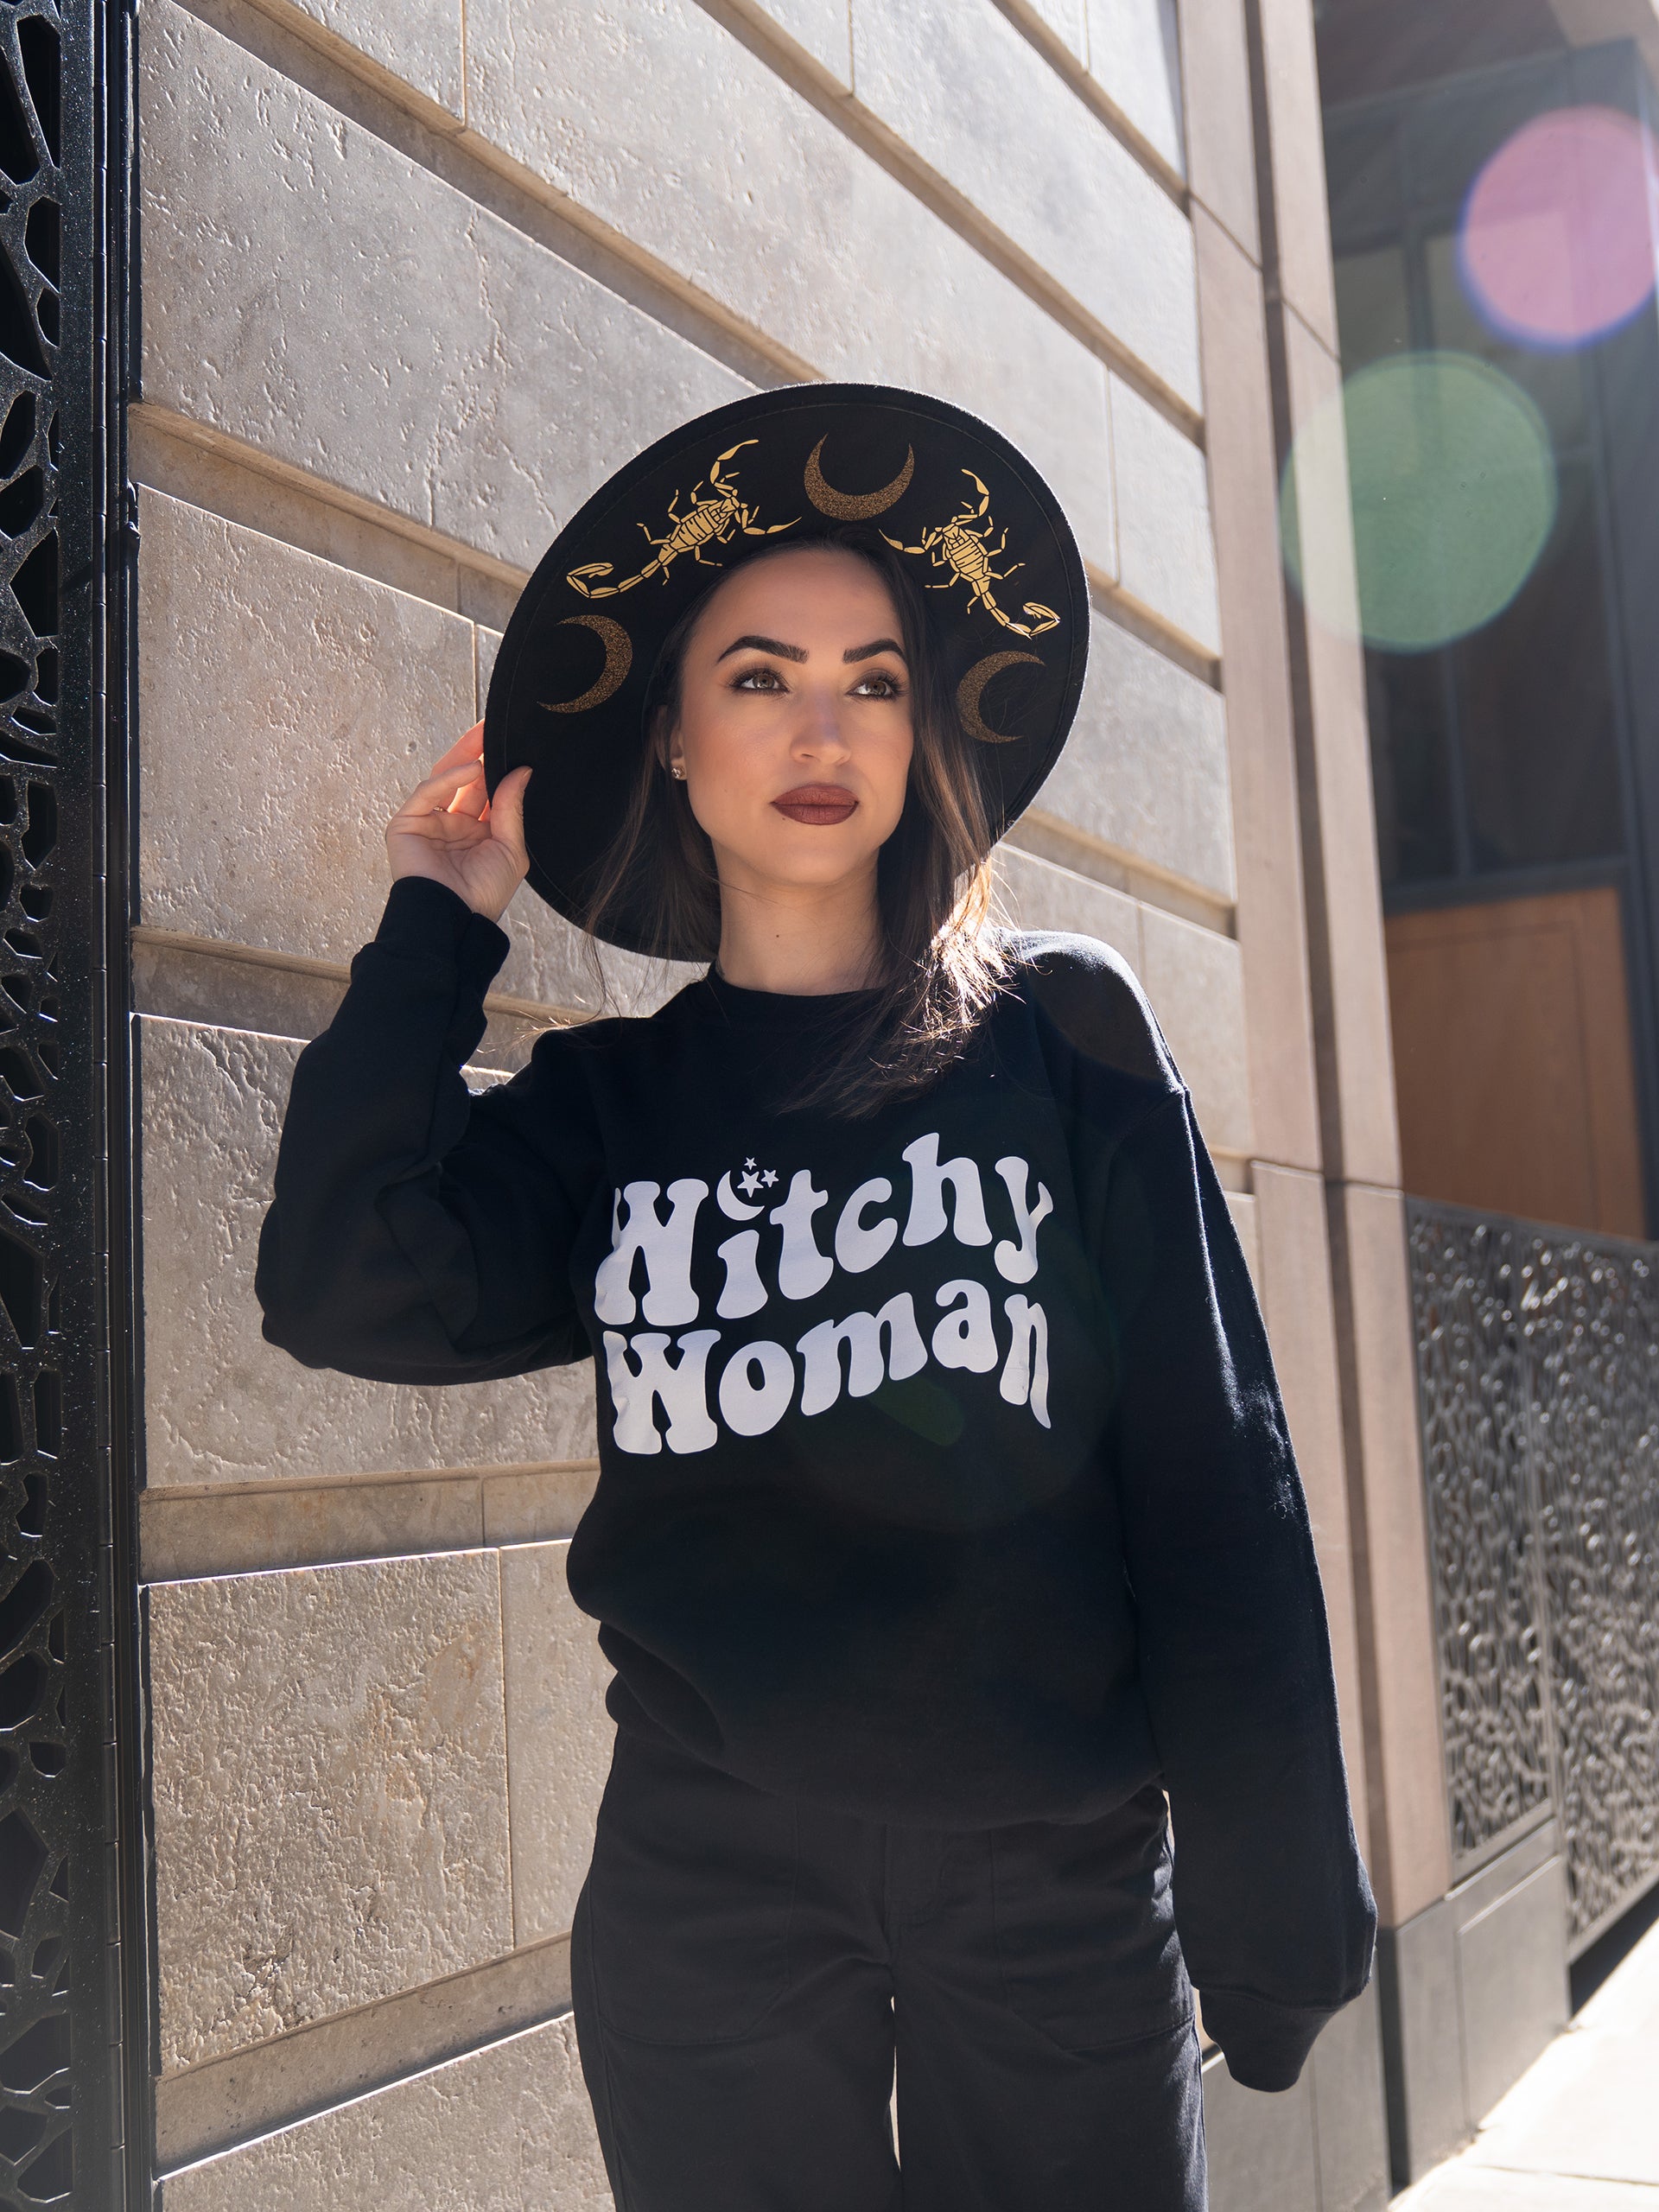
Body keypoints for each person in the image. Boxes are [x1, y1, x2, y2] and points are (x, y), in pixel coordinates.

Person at [257, 385, 1375, 2212]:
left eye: (872, 674)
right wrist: (437, 928)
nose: (822, 721)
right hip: (710, 1894)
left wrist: (1272, 1914)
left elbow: (1215, 1471)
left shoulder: (1063, 1032)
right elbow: (343, 1279)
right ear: (678, 743)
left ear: (925, 728)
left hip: (1053, 1887)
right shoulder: (613, 1110)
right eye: (761, 674)